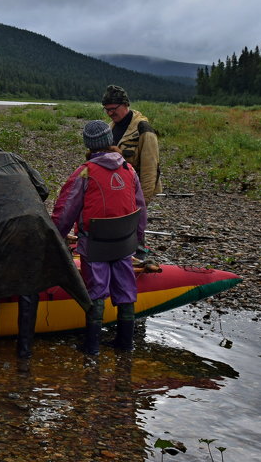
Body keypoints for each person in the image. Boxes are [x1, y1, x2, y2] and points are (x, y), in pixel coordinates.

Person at [0, 139, 92, 359]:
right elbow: (43, 190)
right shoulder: (13, 158)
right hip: (37, 225)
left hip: (0, 230)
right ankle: (24, 352)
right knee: (30, 286)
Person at [52, 120, 147, 353]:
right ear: (109, 141)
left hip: (95, 245)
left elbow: (65, 211)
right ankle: (125, 345)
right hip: (125, 244)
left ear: (89, 144)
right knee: (126, 290)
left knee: (96, 292)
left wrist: (55, 238)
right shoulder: (129, 169)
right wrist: (139, 241)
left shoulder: (84, 172)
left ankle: (91, 347)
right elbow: (141, 210)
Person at [101, 84, 162, 203]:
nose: (109, 113)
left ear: (125, 104)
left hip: (135, 192)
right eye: (106, 109)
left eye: (113, 109)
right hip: (115, 191)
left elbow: (150, 170)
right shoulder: (109, 128)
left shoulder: (143, 129)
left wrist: (143, 202)